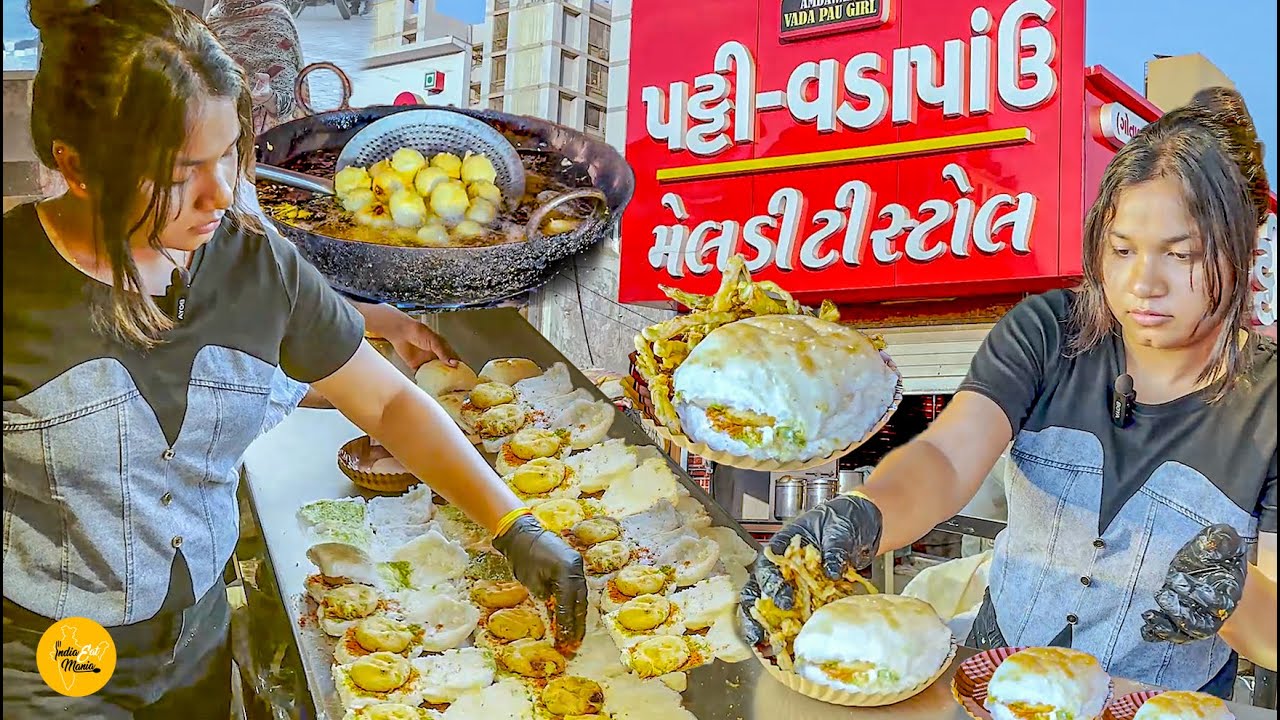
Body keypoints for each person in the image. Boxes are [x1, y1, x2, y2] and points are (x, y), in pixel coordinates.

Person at [1, 2, 586, 717]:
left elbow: (386, 401)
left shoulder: (253, 264)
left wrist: (514, 525)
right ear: (77, 167)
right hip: (48, 659)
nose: (220, 195)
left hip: (197, 644)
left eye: (228, 155)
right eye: (181, 173)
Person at [741, 89, 1278, 698]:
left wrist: (1232, 596)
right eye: (1122, 250)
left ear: (1244, 248)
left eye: (1182, 255)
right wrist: (865, 515)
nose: (1142, 283)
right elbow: (947, 458)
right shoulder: (1049, 332)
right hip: (995, 684)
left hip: (1158, 704)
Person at [204, 0, 309, 133]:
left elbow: (292, 102)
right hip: (219, 124)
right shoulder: (214, 17)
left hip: (263, 133)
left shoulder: (273, 19)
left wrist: (269, 98)